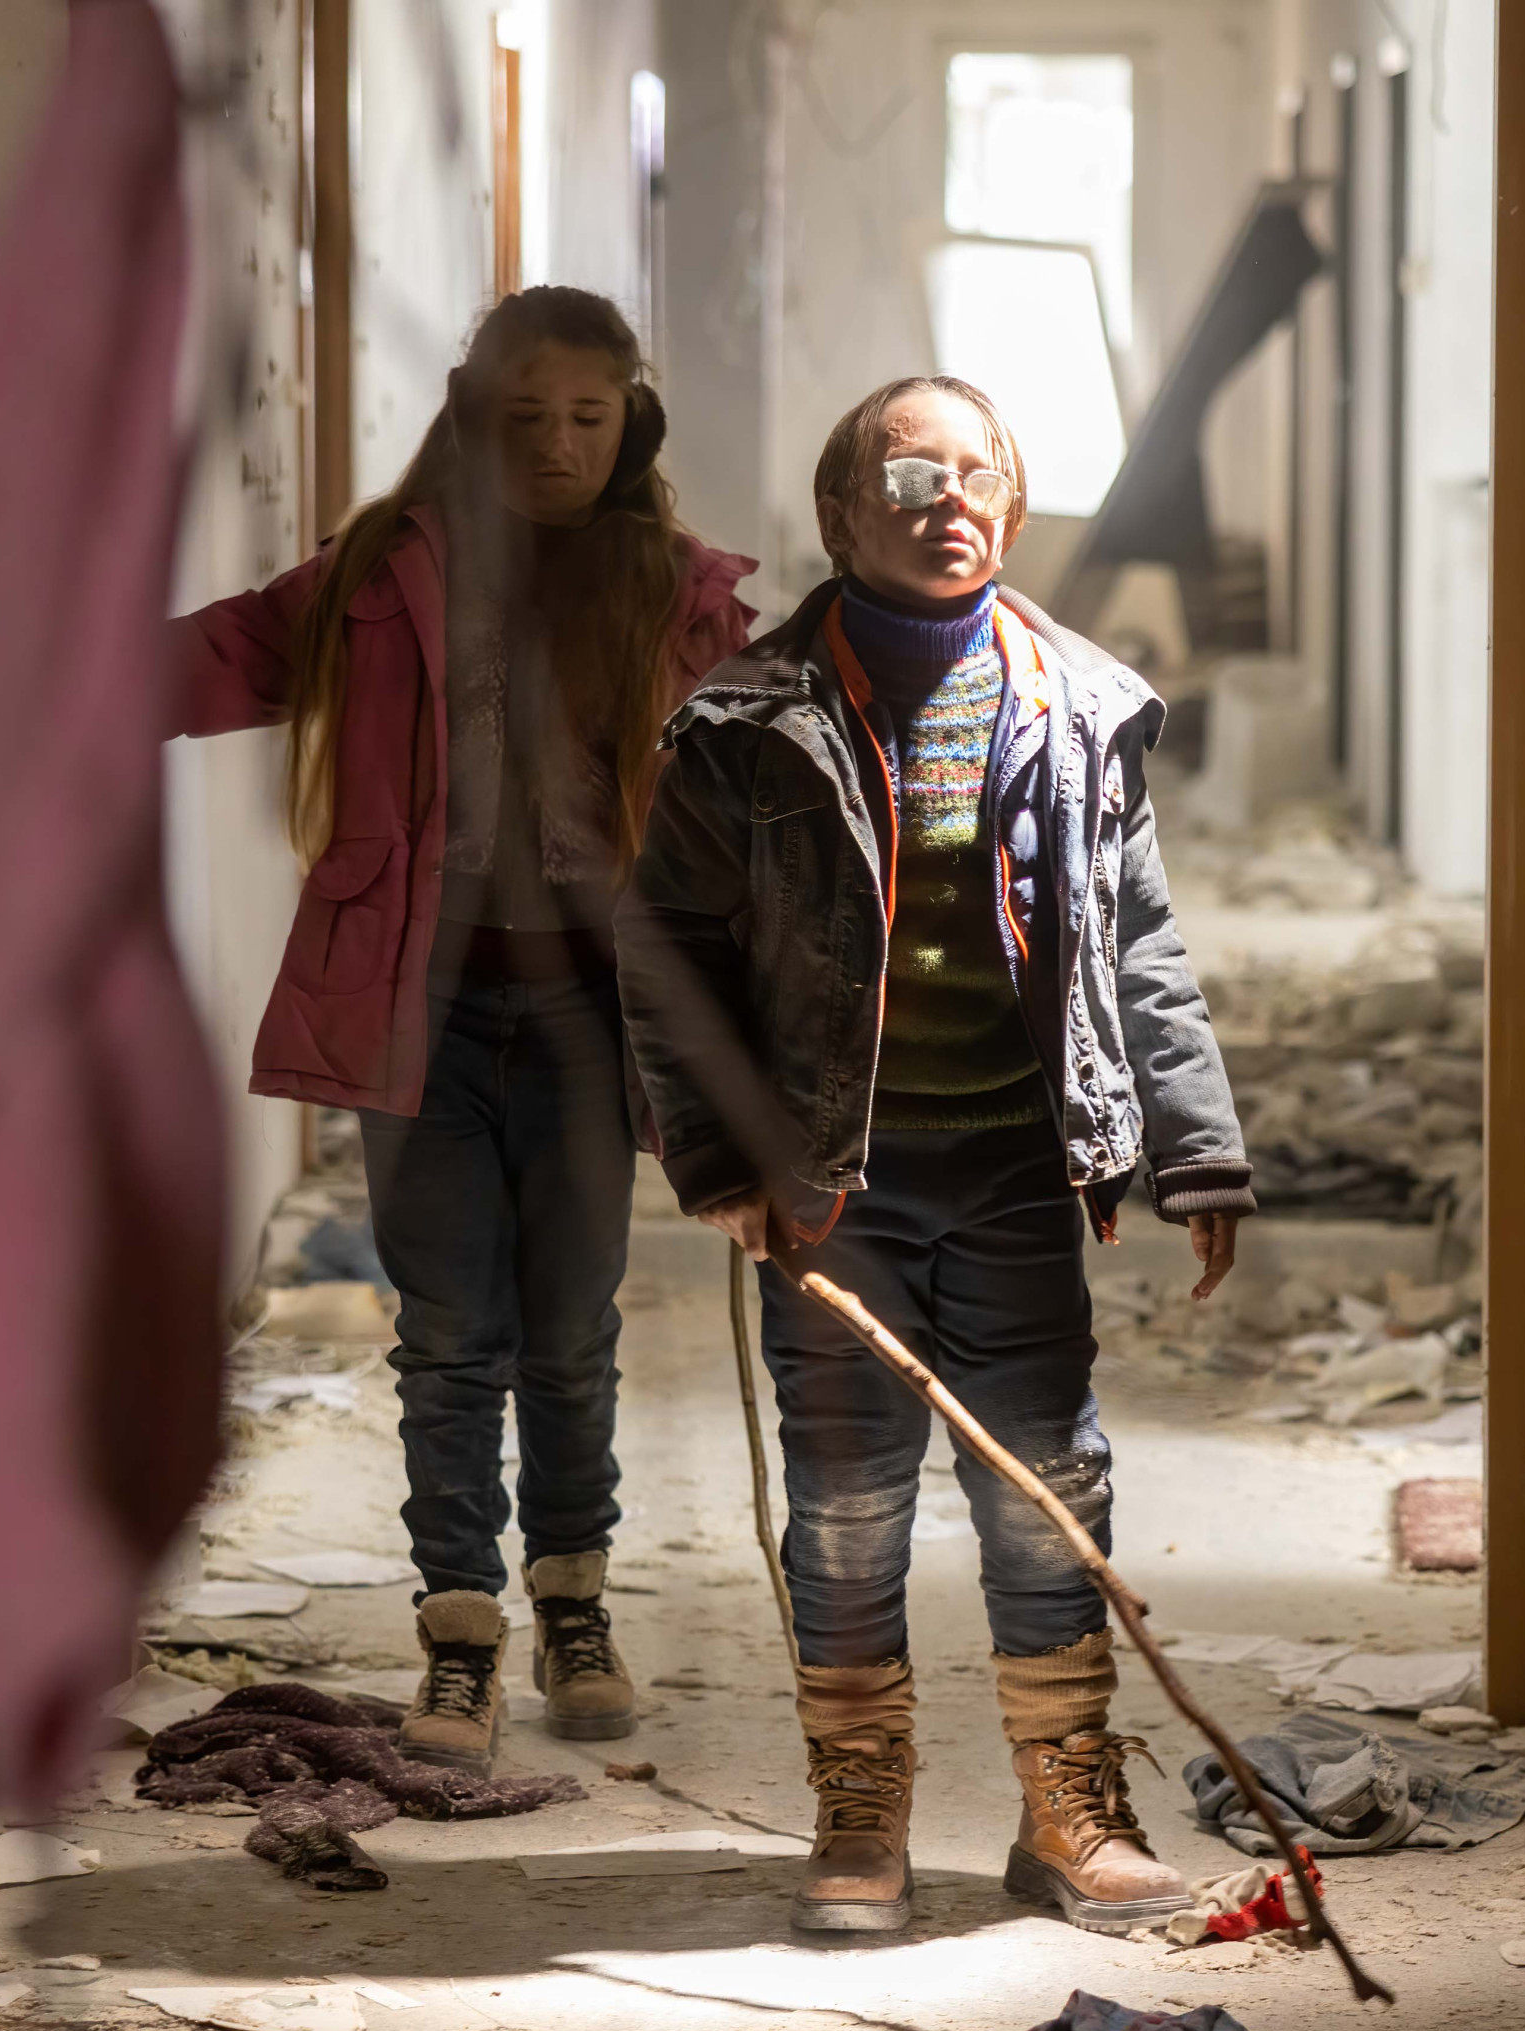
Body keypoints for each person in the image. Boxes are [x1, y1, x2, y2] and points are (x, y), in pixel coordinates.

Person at [616, 374, 1254, 1935]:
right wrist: (720, 1159)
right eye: (910, 478)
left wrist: (1197, 1147)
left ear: (1013, 508)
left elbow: (1138, 941)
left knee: (1046, 1482)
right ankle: (861, 1806)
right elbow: (667, 953)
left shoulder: (1082, 708)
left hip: (1021, 1170)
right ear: (842, 517)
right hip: (834, 1182)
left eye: (978, 476)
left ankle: (1068, 1807)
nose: (948, 502)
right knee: (848, 1503)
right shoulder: (749, 725)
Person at [167, 288, 754, 1776]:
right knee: (447, 1334)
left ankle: (575, 1604)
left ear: (630, 424)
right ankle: (460, 1628)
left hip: (590, 1015)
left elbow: (763, 781)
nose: (556, 443)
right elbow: (226, 653)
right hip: (412, 1003)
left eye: (588, 416)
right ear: (470, 412)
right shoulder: (386, 573)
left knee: (570, 1327)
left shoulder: (678, 592)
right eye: (525, 414)